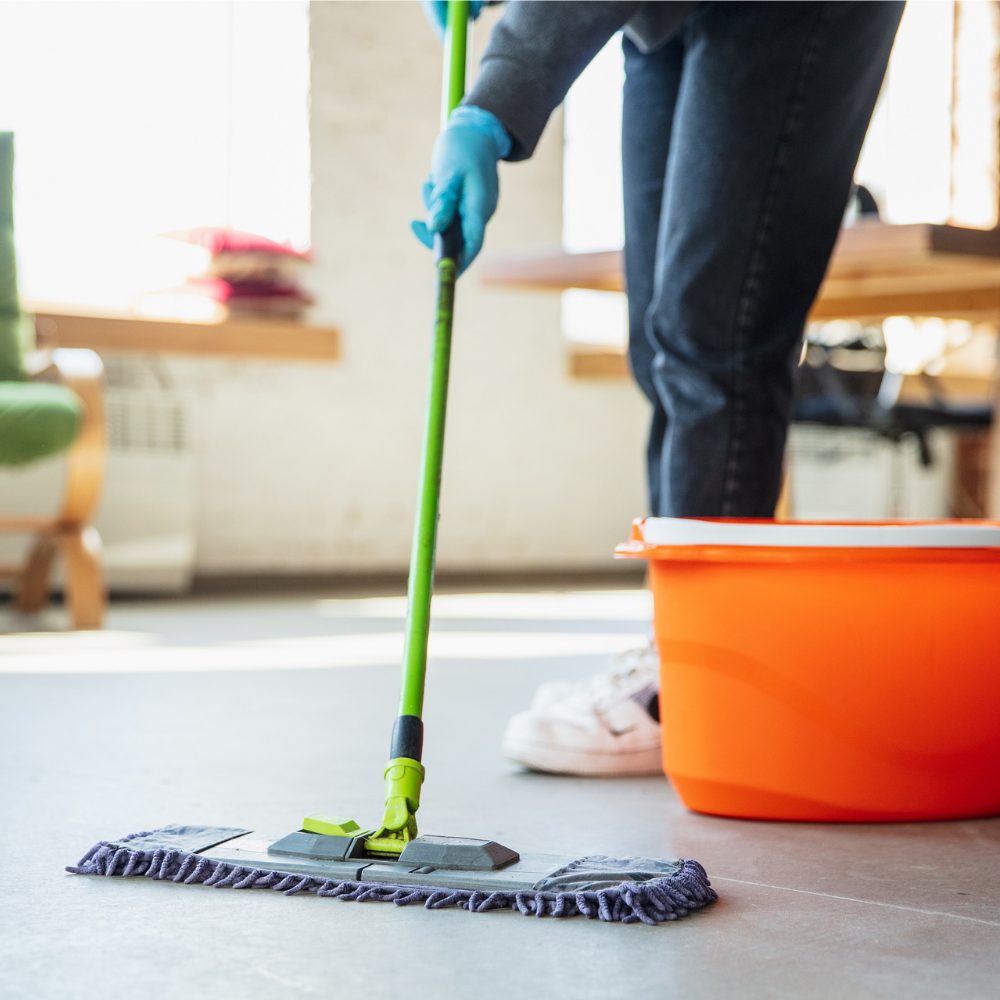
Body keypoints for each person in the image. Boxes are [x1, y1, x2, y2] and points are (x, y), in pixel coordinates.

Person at [414, 1, 904, 776]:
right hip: (664, 18)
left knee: (715, 334)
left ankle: (703, 677)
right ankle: (676, 641)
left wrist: (493, 104)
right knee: (658, 336)